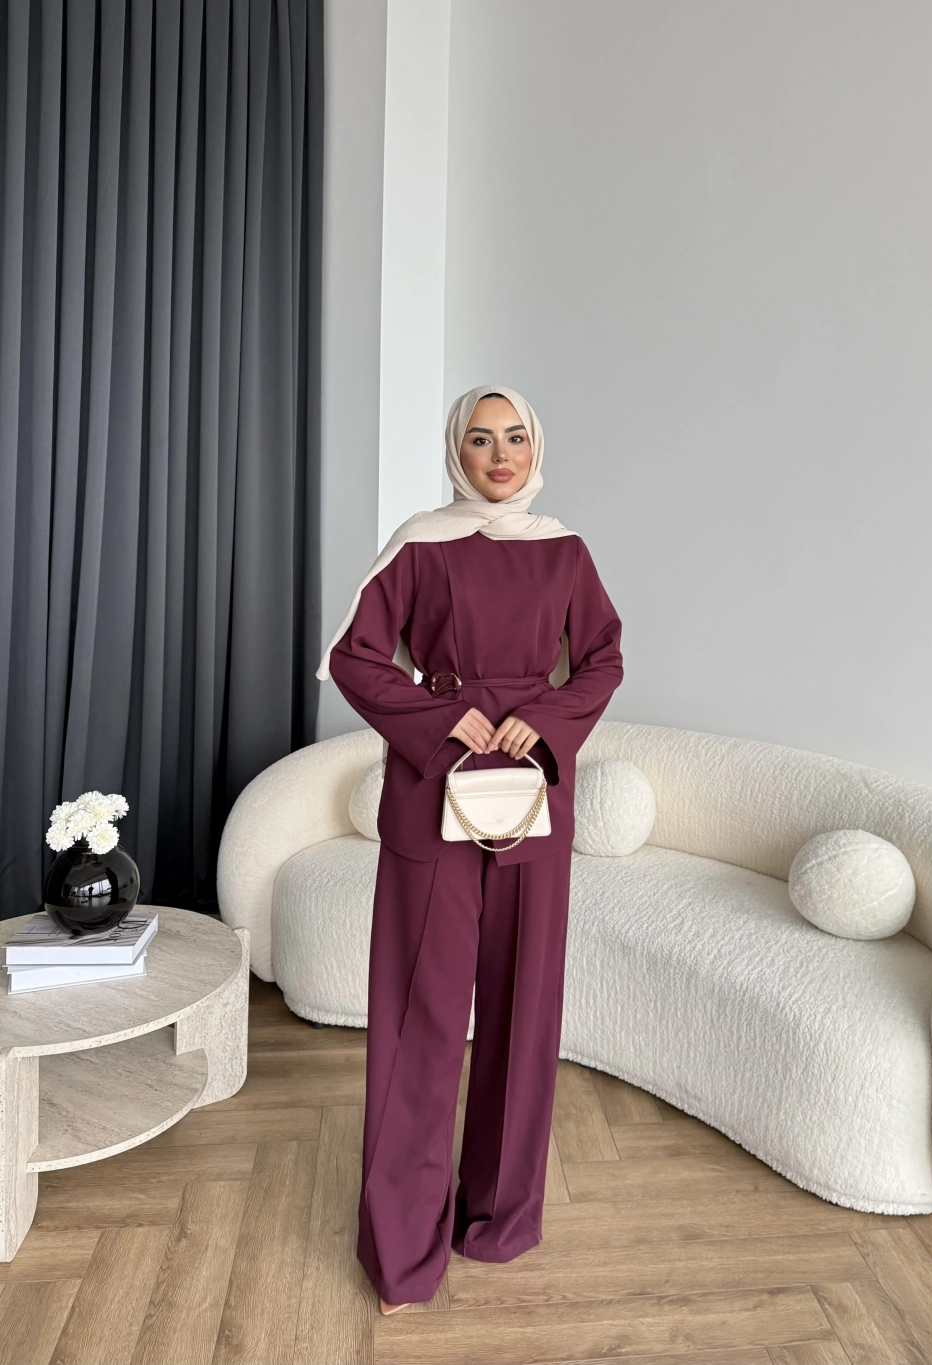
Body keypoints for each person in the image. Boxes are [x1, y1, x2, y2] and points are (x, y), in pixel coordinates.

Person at [319, 383, 624, 1313]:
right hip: (434, 789)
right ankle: (404, 1249)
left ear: (537, 447)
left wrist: (546, 719)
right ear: (457, 450)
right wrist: (445, 714)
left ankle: (497, 1216)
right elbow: (355, 656)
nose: (501, 455)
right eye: (482, 438)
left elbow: (604, 657)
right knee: (420, 1018)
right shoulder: (420, 542)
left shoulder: (566, 550)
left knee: (525, 1013)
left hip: (531, 796)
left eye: (515, 436)